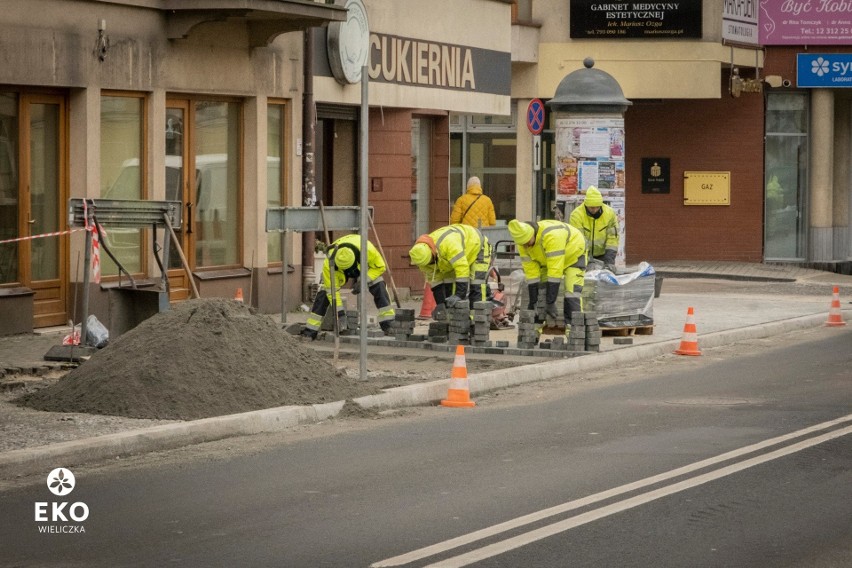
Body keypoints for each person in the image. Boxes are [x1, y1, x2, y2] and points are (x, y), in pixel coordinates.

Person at [300, 234, 395, 340]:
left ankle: (388, 323)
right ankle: (311, 330)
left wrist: (364, 280)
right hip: (338, 273)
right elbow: (332, 292)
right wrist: (340, 314)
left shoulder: (367, 249)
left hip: (363, 269)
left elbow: (380, 267)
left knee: (379, 284)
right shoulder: (329, 263)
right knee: (324, 292)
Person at [507, 219, 587, 338]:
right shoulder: (522, 243)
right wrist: (533, 301)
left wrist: (551, 302)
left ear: (532, 234)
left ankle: (574, 333)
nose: (526, 246)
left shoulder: (552, 236)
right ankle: (534, 332)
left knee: (572, 293)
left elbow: (555, 272)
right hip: (546, 260)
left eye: (528, 242)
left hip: (573, 255)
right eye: (523, 244)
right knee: (541, 293)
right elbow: (531, 274)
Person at [408, 224, 493, 319]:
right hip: (450, 259)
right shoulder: (420, 258)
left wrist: (459, 295)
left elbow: (462, 268)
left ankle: (477, 320)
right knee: (449, 288)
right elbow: (435, 279)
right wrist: (441, 304)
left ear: (433, 253)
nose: (430, 265)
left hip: (477, 246)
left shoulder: (449, 244)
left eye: (431, 262)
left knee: (477, 285)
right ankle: (454, 320)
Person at [568, 186, 619, 269]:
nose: (594, 210)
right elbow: (579, 240)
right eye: (591, 207)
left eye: (597, 207)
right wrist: (589, 259)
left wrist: (609, 260)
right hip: (582, 254)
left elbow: (613, 238)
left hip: (603, 255)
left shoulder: (610, 213)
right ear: (586, 204)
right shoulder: (576, 215)